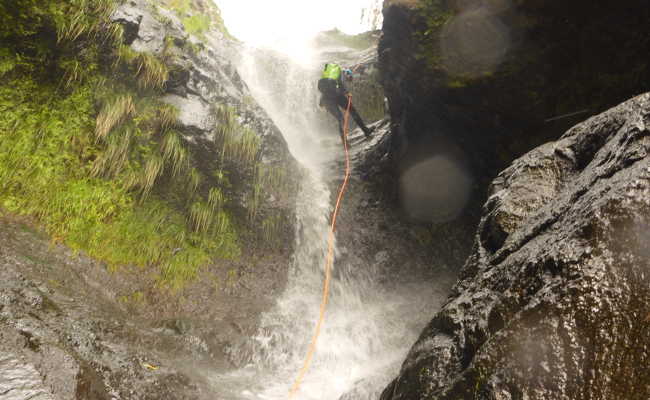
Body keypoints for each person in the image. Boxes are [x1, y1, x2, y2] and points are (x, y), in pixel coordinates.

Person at [318, 62, 374, 141]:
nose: (350, 80)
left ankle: (346, 141)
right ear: (348, 74)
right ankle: (365, 131)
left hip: (328, 99)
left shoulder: (331, 75)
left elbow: (328, 90)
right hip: (334, 96)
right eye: (350, 78)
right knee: (351, 112)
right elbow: (341, 85)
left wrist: (322, 103)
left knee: (341, 118)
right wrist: (347, 93)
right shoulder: (342, 73)